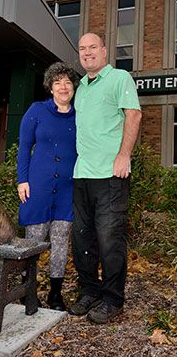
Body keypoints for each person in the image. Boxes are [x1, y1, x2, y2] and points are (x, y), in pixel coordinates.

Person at [70, 33, 142, 324]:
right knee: (82, 238)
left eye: (92, 48)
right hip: (82, 174)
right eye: (82, 49)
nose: (87, 53)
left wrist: (124, 154)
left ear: (104, 51)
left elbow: (133, 115)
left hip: (110, 175)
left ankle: (113, 299)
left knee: (109, 240)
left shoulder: (119, 78)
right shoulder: (82, 87)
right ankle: (90, 291)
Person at [17, 62, 80, 311]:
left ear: (73, 87)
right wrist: (22, 180)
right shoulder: (36, 110)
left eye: (67, 82)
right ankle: (27, 290)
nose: (63, 87)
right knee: (33, 240)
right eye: (57, 83)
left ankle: (55, 294)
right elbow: (24, 147)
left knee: (61, 240)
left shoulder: (81, 115)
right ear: (50, 87)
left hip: (68, 190)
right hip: (38, 187)